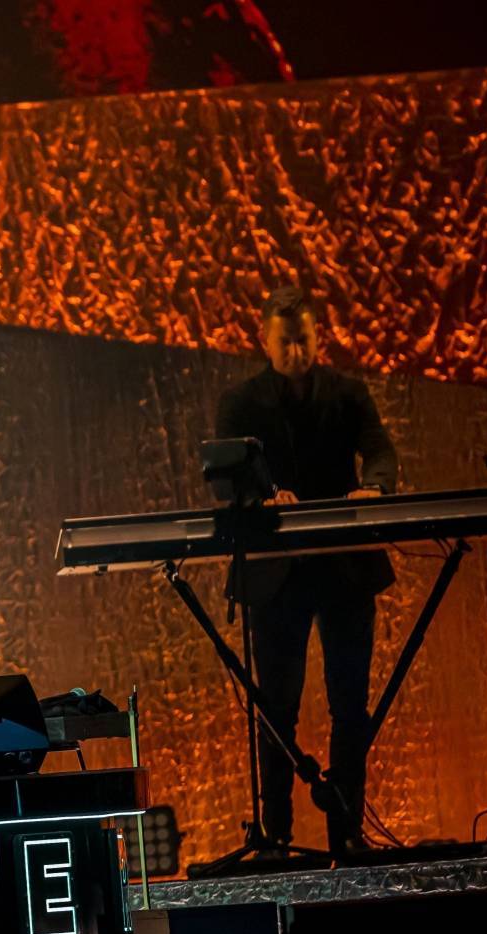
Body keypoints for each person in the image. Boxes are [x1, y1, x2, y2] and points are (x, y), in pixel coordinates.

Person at [214, 285, 398, 855]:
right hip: (278, 573)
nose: (296, 350)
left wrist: (376, 486)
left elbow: (380, 449)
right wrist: (263, 497)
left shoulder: (347, 393)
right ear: (265, 341)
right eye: (286, 341)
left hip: (342, 566)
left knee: (350, 705)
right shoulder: (241, 402)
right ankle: (276, 835)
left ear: (317, 338)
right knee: (276, 710)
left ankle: (347, 831)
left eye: (304, 340)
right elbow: (223, 475)